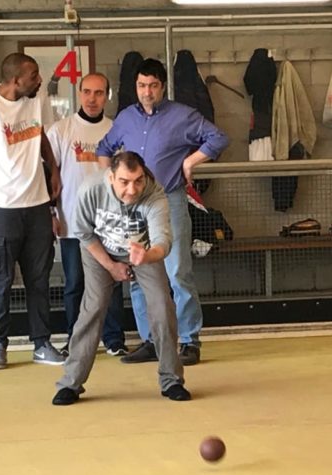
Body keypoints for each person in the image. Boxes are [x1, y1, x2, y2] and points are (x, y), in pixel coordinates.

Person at [97, 58, 229, 367]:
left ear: (163, 86)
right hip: (134, 206)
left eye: (153, 86)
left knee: (178, 271)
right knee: (139, 275)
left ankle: (189, 341)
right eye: (141, 85)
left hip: (169, 200)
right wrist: (112, 185)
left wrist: (190, 161)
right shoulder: (126, 118)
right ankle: (151, 340)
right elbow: (104, 149)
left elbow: (218, 137)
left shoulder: (183, 116)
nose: (147, 92)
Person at [52, 151, 190, 406]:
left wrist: (146, 256)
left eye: (138, 181)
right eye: (124, 182)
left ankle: (171, 380)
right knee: (93, 307)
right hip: (99, 250)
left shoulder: (154, 194)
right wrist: (111, 266)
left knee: (162, 305)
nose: (132, 190)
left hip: (143, 251)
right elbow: (83, 232)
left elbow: (163, 241)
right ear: (111, 177)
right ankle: (70, 383)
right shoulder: (91, 189)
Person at [0, 52, 65, 370]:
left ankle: (41, 344)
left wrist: (54, 170)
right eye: (34, 75)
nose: (40, 80)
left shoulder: (36, 99)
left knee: (39, 279)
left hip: (36, 207)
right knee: (1, 280)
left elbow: (41, 135)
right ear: (15, 79)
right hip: (0, 211)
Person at [46, 73, 128, 358]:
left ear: (107, 96)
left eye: (99, 93)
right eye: (88, 92)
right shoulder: (61, 130)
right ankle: (76, 338)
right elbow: (49, 175)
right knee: (75, 284)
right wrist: (51, 212)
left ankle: (113, 338)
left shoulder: (117, 130)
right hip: (72, 221)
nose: (92, 99)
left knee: (112, 280)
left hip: (109, 222)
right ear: (79, 93)